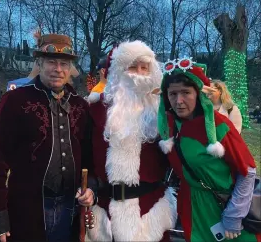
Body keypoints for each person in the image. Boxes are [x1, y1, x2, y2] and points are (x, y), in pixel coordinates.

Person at [0, 33, 96, 242]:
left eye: (64, 64)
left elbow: (90, 158)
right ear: (39, 62)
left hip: (69, 210)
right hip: (26, 210)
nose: (58, 69)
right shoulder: (16, 101)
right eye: (51, 62)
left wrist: (91, 189)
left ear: (71, 68)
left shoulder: (81, 106)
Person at [158, 57, 259, 242]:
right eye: (172, 94)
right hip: (193, 208)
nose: (179, 100)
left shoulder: (219, 125)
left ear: (199, 94)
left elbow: (248, 171)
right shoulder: (170, 127)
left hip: (224, 207)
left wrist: (234, 216)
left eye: (186, 92)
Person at [87, 40, 177, 242]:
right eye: (132, 67)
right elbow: (83, 155)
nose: (138, 73)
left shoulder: (164, 111)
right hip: (104, 212)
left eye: (144, 68)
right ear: (119, 71)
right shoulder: (95, 109)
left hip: (150, 210)